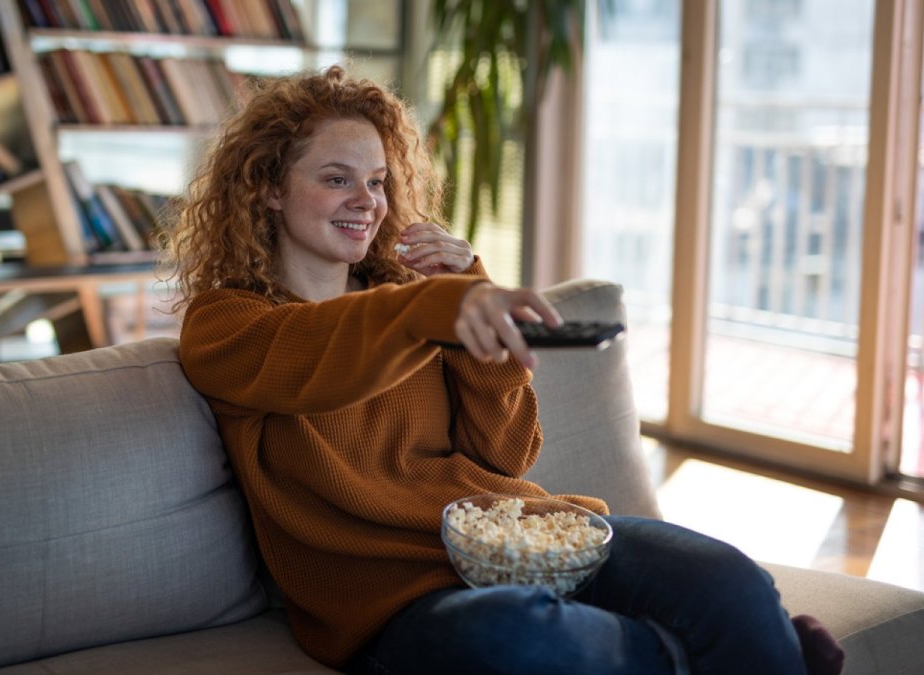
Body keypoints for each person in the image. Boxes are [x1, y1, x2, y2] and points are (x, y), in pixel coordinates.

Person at [160, 65, 844, 675]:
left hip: (521, 537)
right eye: (336, 178)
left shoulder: (410, 304)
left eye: (376, 181)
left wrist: (466, 295)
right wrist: (438, 307)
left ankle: (741, 641)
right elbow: (320, 358)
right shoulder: (227, 325)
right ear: (270, 190)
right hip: (396, 604)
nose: (367, 200)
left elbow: (505, 456)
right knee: (520, 640)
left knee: (726, 577)